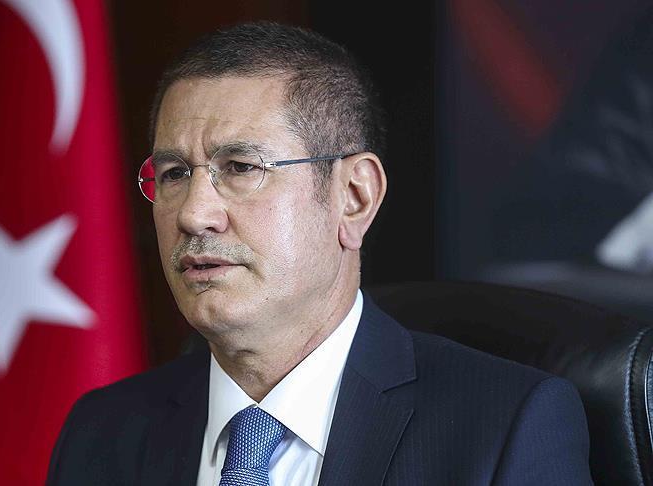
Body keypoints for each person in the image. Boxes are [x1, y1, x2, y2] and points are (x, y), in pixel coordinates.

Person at [46, 22, 592, 485]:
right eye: (173, 174)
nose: (193, 213)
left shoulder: (505, 427)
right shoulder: (102, 433)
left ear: (354, 198)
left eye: (241, 168)